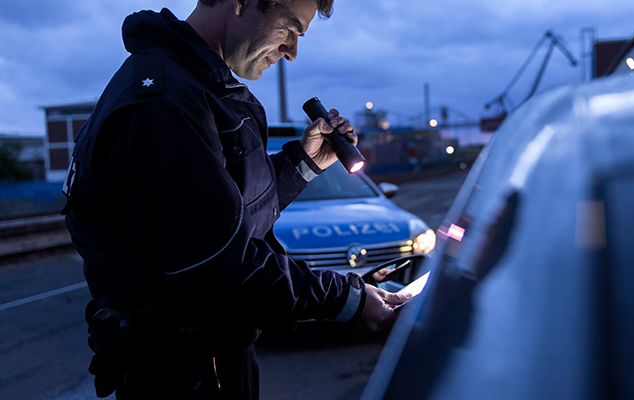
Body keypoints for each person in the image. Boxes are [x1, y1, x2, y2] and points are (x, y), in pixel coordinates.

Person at [60, 0, 409, 398]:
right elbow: (220, 263)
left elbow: (229, 213)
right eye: (289, 29)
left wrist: (305, 163)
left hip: (211, 360)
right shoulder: (164, 104)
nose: (292, 52)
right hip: (181, 375)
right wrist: (349, 298)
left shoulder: (199, 87)